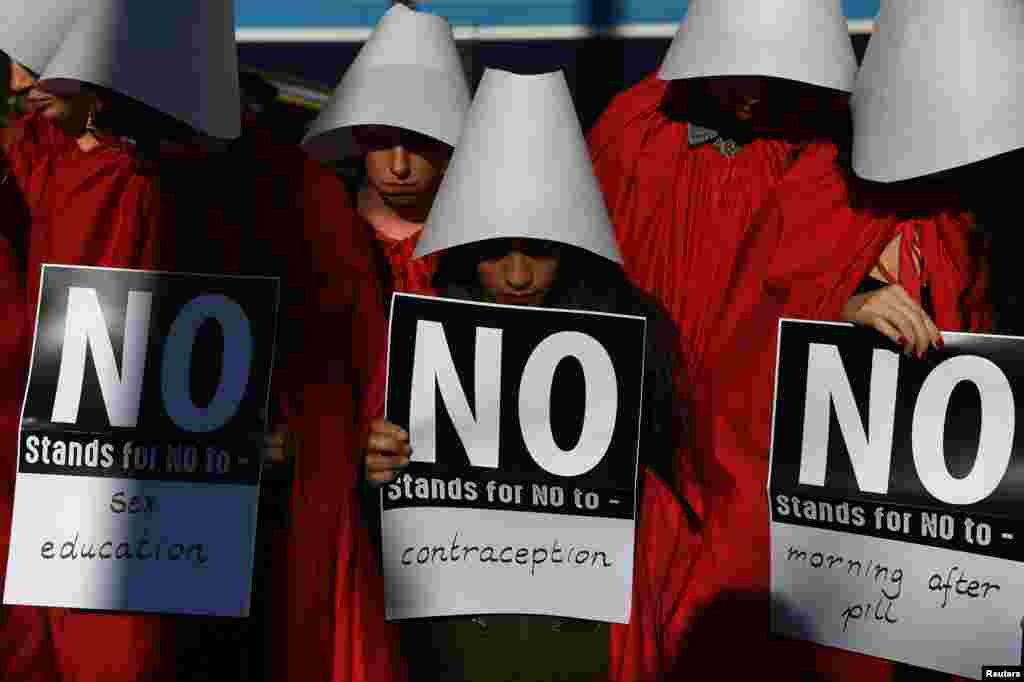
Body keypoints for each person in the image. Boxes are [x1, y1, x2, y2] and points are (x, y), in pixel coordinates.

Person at [674, 2, 1004, 679]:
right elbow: (746, 332)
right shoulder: (817, 183)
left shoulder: (974, 209)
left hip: (920, 498)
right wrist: (847, 303)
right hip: (804, 498)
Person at [358, 68, 698, 682]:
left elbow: (681, 484)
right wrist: (372, 457)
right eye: (495, 253)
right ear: (468, 256)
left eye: (538, 252)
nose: (517, 278)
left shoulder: (637, 335)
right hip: (453, 636)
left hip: (588, 637)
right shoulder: (416, 340)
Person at [0, 1, 241, 679]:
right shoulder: (29, 159)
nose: (20, 85)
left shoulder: (165, 176)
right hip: (40, 448)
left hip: (140, 462)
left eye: (43, 66)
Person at [587, 0, 856, 509]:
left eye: (769, 72)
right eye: (736, 72)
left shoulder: (829, 143)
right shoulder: (635, 128)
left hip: (766, 423)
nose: (749, 95)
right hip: (645, 416)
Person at [302, 3, 470, 305]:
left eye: (420, 143)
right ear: (358, 139)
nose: (399, 166)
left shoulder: (486, 246)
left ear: (449, 147)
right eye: (380, 141)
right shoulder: (313, 230)